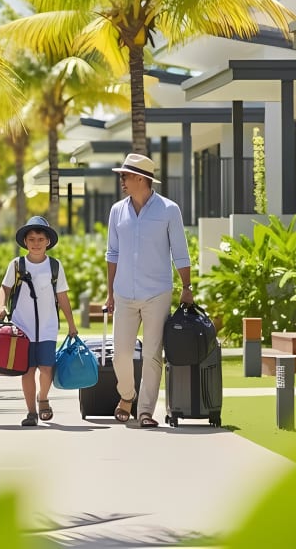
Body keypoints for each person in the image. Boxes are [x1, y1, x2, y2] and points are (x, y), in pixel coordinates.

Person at [104, 153, 194, 428]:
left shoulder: (169, 210)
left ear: (141, 179)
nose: (122, 181)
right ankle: (127, 396)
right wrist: (109, 293)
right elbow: (112, 253)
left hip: (157, 293)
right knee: (120, 354)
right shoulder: (117, 211)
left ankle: (145, 411)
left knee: (152, 354)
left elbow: (180, 252)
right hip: (124, 294)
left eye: (126, 176)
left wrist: (186, 287)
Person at [0, 216, 77, 427]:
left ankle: (43, 398)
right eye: (32, 239)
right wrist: (1, 306)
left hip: (48, 328)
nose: (36, 243)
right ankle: (31, 412)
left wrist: (72, 324)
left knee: (47, 368)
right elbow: (4, 288)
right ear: (25, 242)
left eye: (41, 238)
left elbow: (62, 297)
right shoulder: (17, 265)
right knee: (28, 370)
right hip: (22, 328)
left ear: (48, 241)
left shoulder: (55, 266)